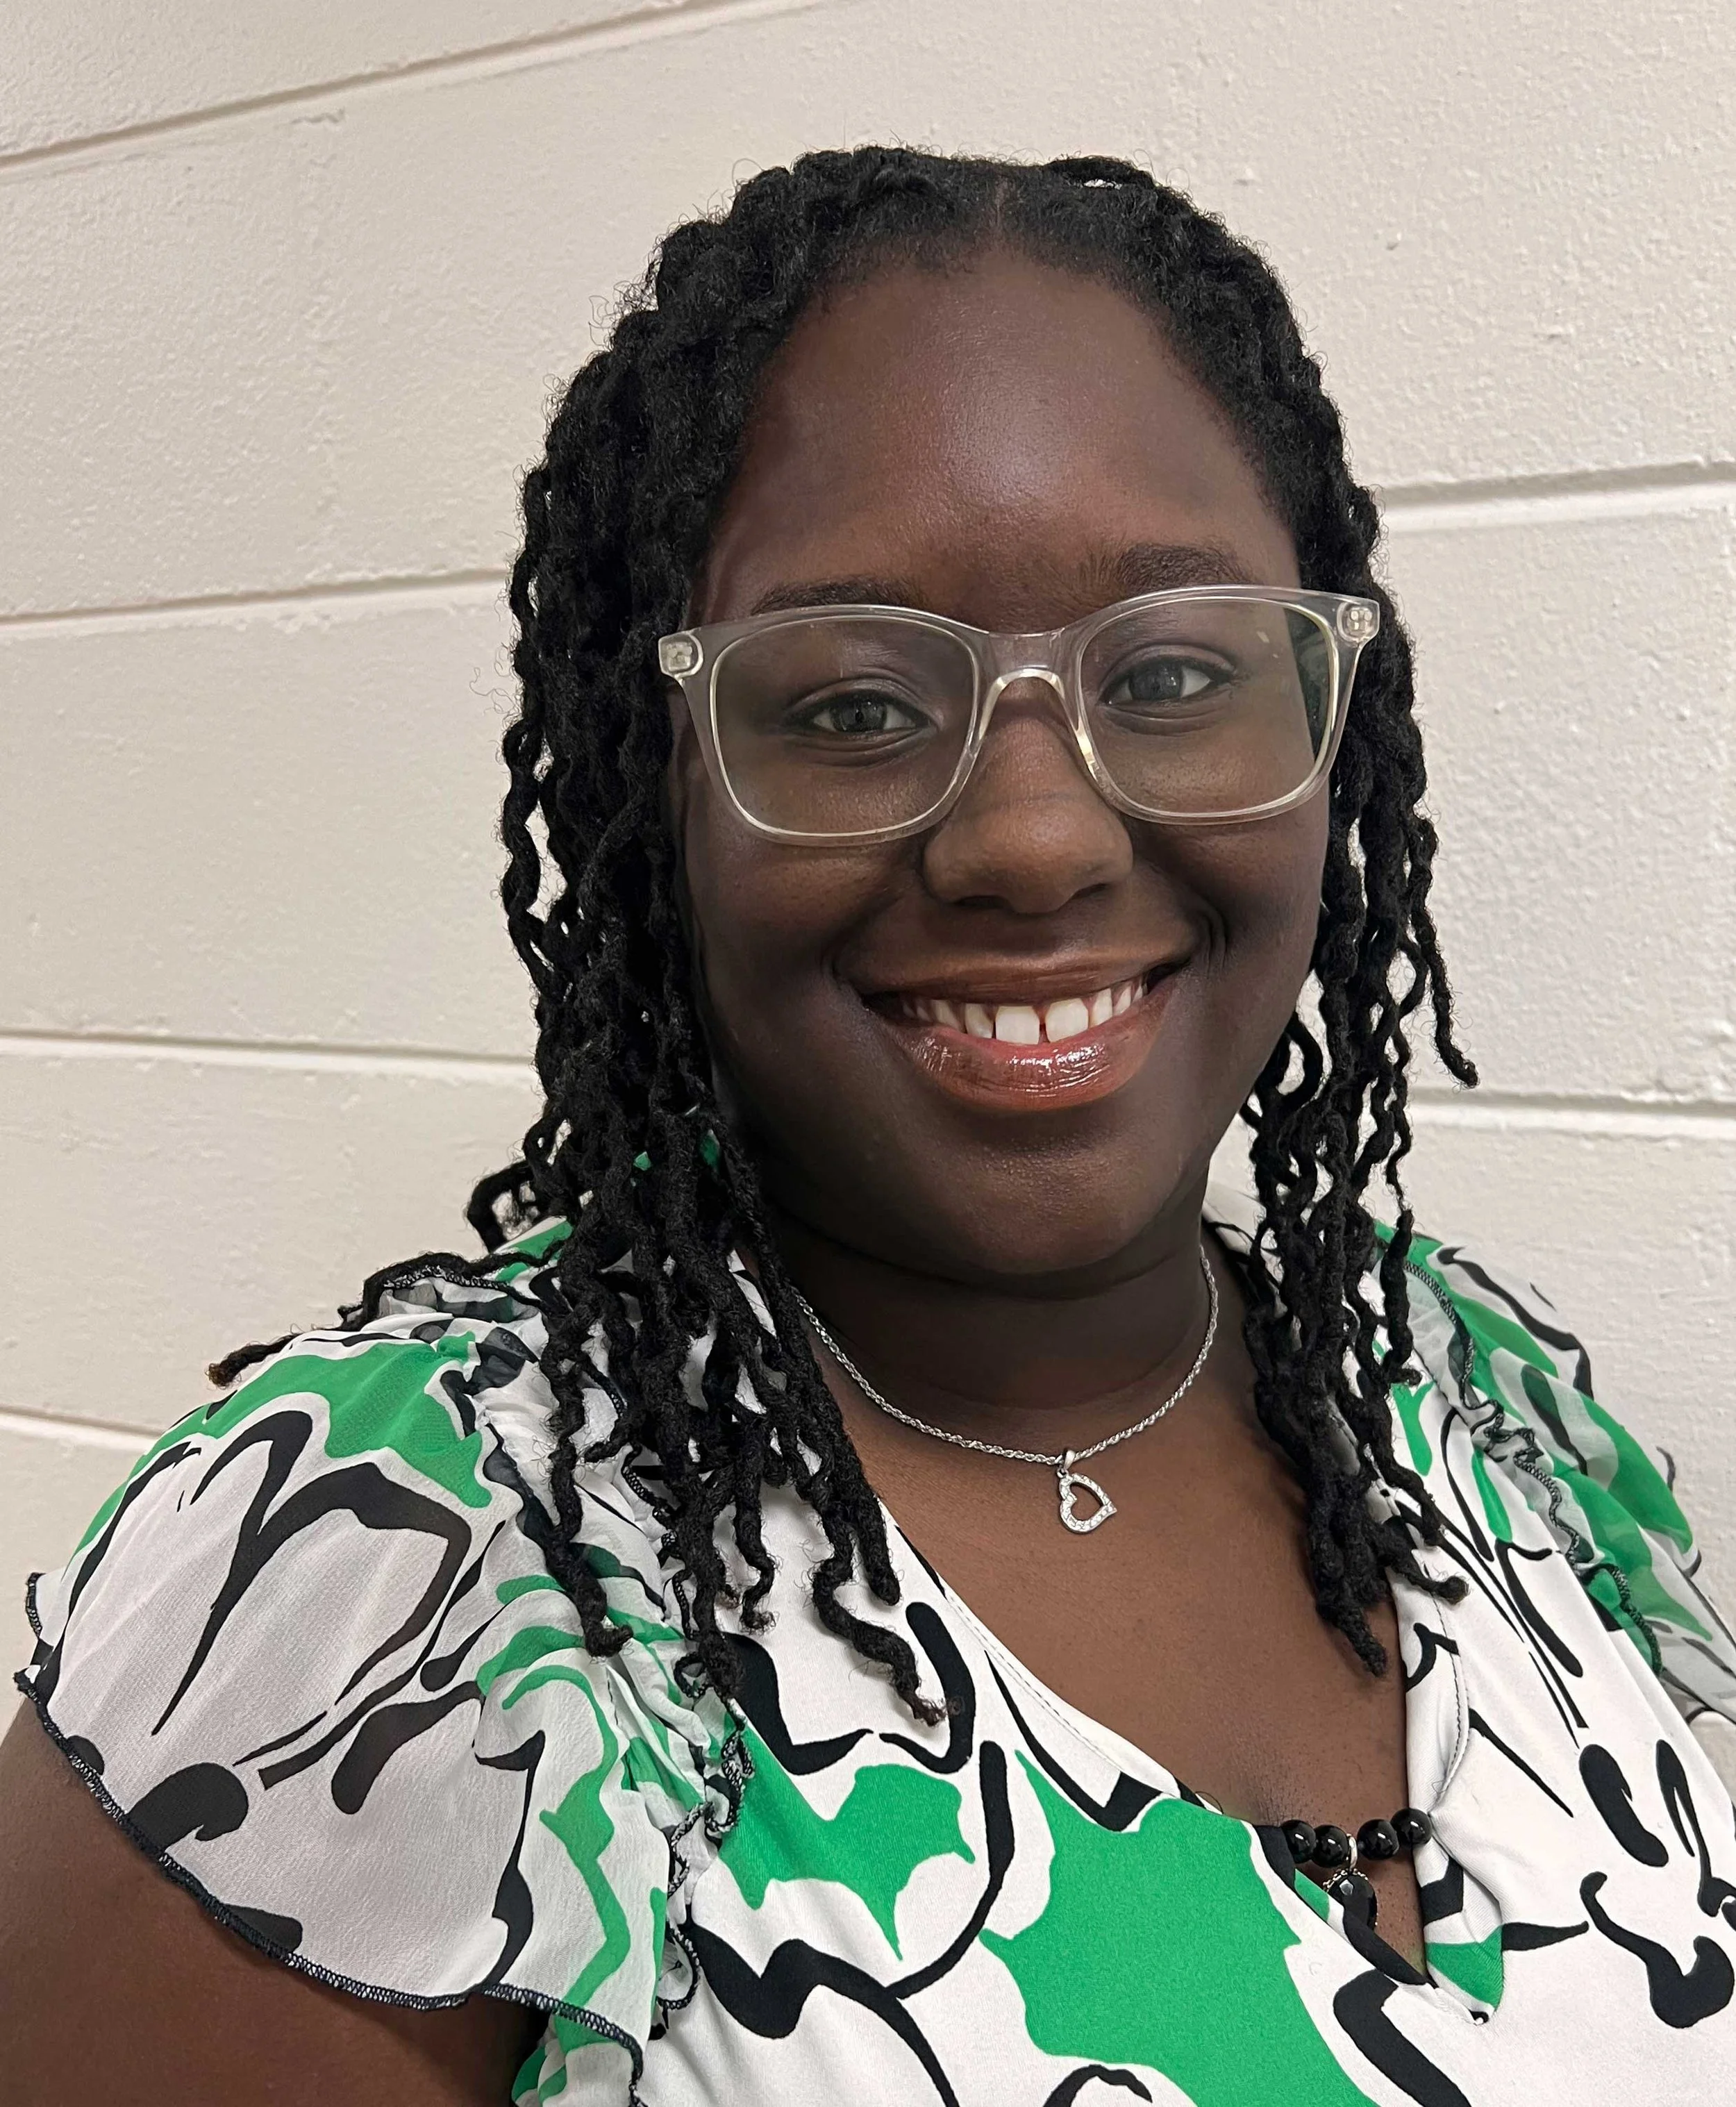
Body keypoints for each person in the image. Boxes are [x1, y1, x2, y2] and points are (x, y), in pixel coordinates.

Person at [5, 147, 1734, 2107]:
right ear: (654, 800)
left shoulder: (1475, 1403)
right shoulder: (391, 1579)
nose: (1031, 836)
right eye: (845, 707)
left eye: (1170, 674)